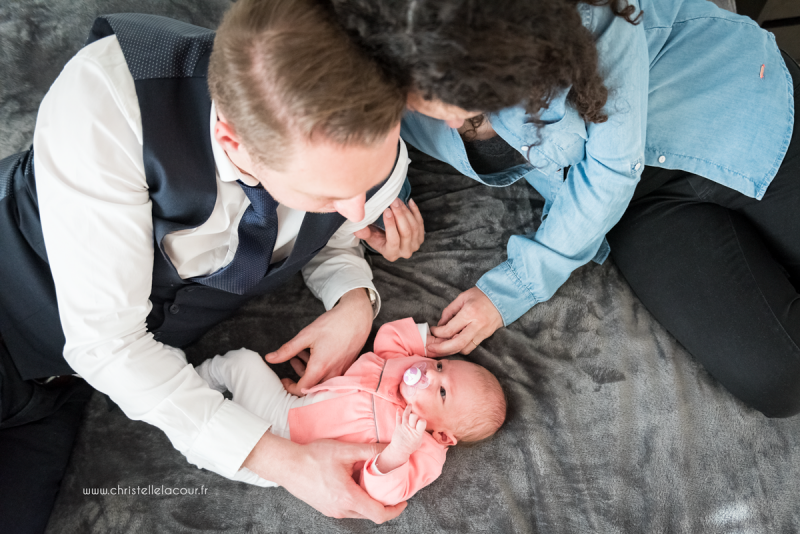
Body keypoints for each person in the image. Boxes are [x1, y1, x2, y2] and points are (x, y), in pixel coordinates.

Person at [0, 0, 427, 530]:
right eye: (326, 195)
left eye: (372, 181)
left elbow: (332, 228)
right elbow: (109, 344)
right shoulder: (104, 101)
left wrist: (352, 296)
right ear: (234, 142)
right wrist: (285, 461)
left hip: (64, 397)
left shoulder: (359, 130)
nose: (363, 212)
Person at [332, 0, 800, 417]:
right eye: (430, 103)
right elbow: (363, 138)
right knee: (779, 381)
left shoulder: (593, 11)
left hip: (736, 110)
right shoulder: (368, 42)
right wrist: (390, 191)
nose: (455, 122)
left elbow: (612, 170)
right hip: (640, 209)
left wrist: (513, 287)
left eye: (480, 98)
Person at [195, 317, 506, 505]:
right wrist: (429, 340)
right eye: (440, 366)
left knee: (225, 448)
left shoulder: (423, 450)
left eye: (441, 391)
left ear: (442, 434)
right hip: (284, 405)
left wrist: (396, 453)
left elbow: (387, 491)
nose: (429, 373)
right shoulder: (402, 365)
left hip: (294, 458)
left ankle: (196, 448)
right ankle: (194, 381)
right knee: (243, 361)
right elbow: (390, 338)